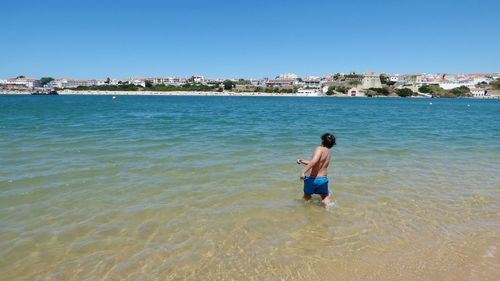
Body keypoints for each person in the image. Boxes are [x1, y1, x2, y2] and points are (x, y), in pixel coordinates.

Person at [297, 133, 336, 207]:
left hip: (312, 179)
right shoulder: (328, 152)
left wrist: (303, 171)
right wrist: (302, 161)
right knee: (325, 196)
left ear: (322, 140)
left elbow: (314, 161)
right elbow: (317, 163)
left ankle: (307, 211)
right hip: (323, 179)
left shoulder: (319, 149)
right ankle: (329, 209)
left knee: (307, 196)